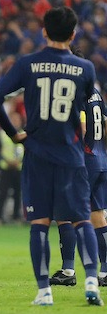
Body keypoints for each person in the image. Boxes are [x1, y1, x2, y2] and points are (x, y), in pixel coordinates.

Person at [0, 6, 103, 306]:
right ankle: (92, 280)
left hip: (38, 152)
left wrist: (14, 133)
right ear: (74, 34)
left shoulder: (27, 63)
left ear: (44, 32)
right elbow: (83, 108)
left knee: (40, 223)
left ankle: (44, 291)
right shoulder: (86, 69)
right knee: (81, 220)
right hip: (72, 155)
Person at [49, 50, 107, 288]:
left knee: (64, 214)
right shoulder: (96, 94)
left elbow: (80, 127)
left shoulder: (76, 92)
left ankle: (68, 269)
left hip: (81, 160)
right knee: (97, 215)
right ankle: (105, 272)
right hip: (100, 159)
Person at [0, 111, 24, 226]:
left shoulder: (23, 133)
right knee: (2, 193)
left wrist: (19, 161)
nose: (15, 122)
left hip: (18, 167)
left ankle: (16, 217)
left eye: (17, 120)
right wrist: (7, 160)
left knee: (17, 194)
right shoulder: (2, 134)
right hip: (5, 167)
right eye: (13, 120)